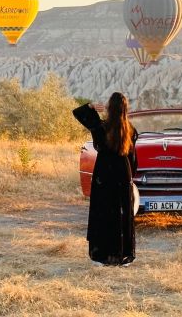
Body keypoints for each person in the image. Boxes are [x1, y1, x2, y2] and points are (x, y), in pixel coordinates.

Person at [73, 93, 138, 266]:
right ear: (125, 109)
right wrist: (131, 177)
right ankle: (124, 255)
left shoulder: (101, 126)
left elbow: (77, 112)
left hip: (104, 175)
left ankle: (102, 255)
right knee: (122, 213)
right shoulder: (131, 130)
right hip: (123, 175)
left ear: (109, 108)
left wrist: (92, 106)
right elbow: (133, 159)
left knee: (103, 213)